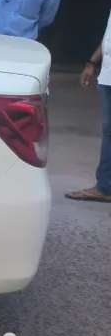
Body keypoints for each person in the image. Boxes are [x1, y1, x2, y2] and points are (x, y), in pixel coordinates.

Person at [66, 14, 111, 202]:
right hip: (108, 75)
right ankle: (105, 187)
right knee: (109, 132)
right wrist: (92, 63)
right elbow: (108, 37)